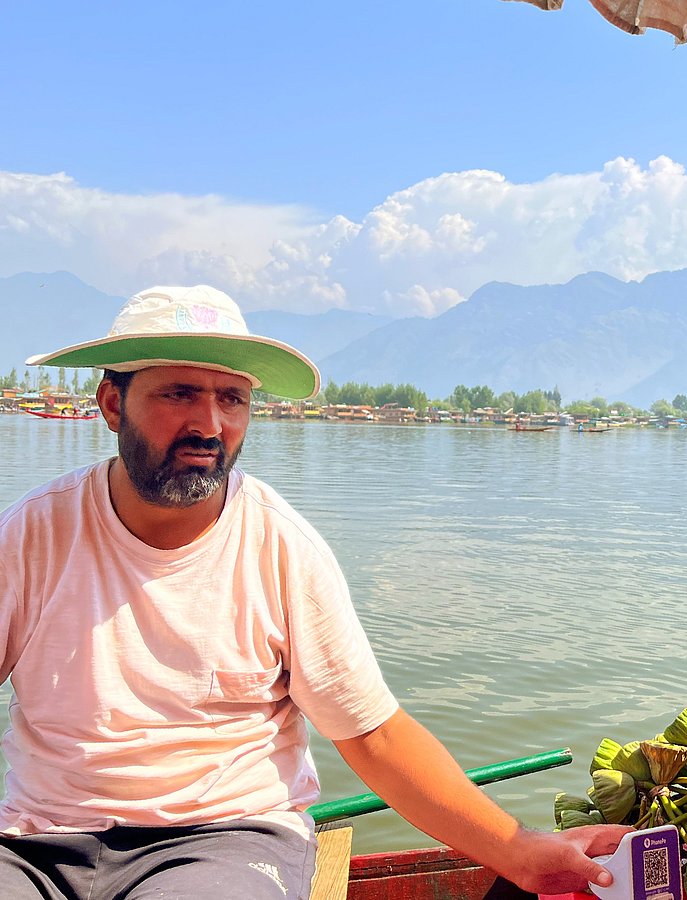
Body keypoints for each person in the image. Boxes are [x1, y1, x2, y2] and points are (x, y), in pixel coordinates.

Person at [0, 285, 629, 899]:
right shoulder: (36, 531)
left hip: (221, 839)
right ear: (113, 403)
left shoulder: (279, 545)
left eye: (233, 399)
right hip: (36, 839)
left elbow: (371, 734)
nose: (210, 424)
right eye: (179, 393)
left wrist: (519, 852)